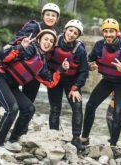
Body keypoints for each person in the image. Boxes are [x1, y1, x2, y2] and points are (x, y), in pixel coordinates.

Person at [0, 29, 67, 150]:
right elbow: (2, 58)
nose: (48, 42)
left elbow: (50, 82)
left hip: (11, 85)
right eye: (46, 39)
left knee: (29, 108)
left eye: (51, 41)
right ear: (39, 39)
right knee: (12, 109)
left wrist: (61, 69)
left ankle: (13, 140)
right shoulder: (29, 48)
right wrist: (20, 47)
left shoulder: (42, 62)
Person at [0, 2, 60, 129]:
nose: (50, 17)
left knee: (28, 101)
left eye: (53, 15)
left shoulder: (54, 34)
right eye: (48, 14)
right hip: (21, 66)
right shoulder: (33, 26)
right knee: (7, 93)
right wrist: (9, 47)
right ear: (43, 16)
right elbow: (17, 40)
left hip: (36, 71)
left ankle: (20, 128)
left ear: (57, 18)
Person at [81, 18, 121, 151]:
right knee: (90, 105)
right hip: (107, 81)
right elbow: (89, 60)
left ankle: (113, 144)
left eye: (111, 31)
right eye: (105, 31)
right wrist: (90, 65)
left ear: (117, 32)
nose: (108, 34)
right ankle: (84, 137)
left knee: (117, 112)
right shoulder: (99, 45)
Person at [47, 19, 88, 152]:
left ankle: (76, 138)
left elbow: (83, 72)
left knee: (77, 107)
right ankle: (53, 134)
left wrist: (76, 88)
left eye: (75, 33)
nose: (71, 34)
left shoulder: (80, 50)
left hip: (72, 81)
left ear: (78, 36)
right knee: (55, 107)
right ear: (65, 30)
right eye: (70, 30)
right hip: (55, 77)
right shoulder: (54, 42)